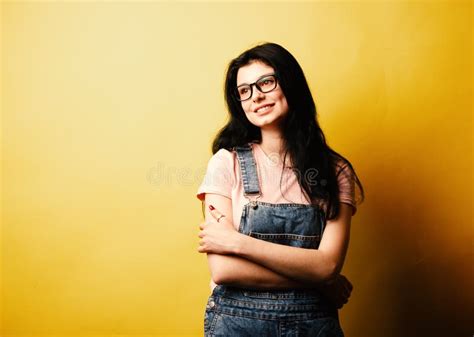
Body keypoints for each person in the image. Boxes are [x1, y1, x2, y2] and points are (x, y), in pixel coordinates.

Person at [196, 42, 364, 337]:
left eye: (266, 82)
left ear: (290, 83)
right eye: (244, 90)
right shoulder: (226, 164)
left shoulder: (335, 172)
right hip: (237, 325)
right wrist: (319, 280)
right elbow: (224, 271)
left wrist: (238, 243)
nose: (256, 96)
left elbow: (327, 264)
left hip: (313, 327)